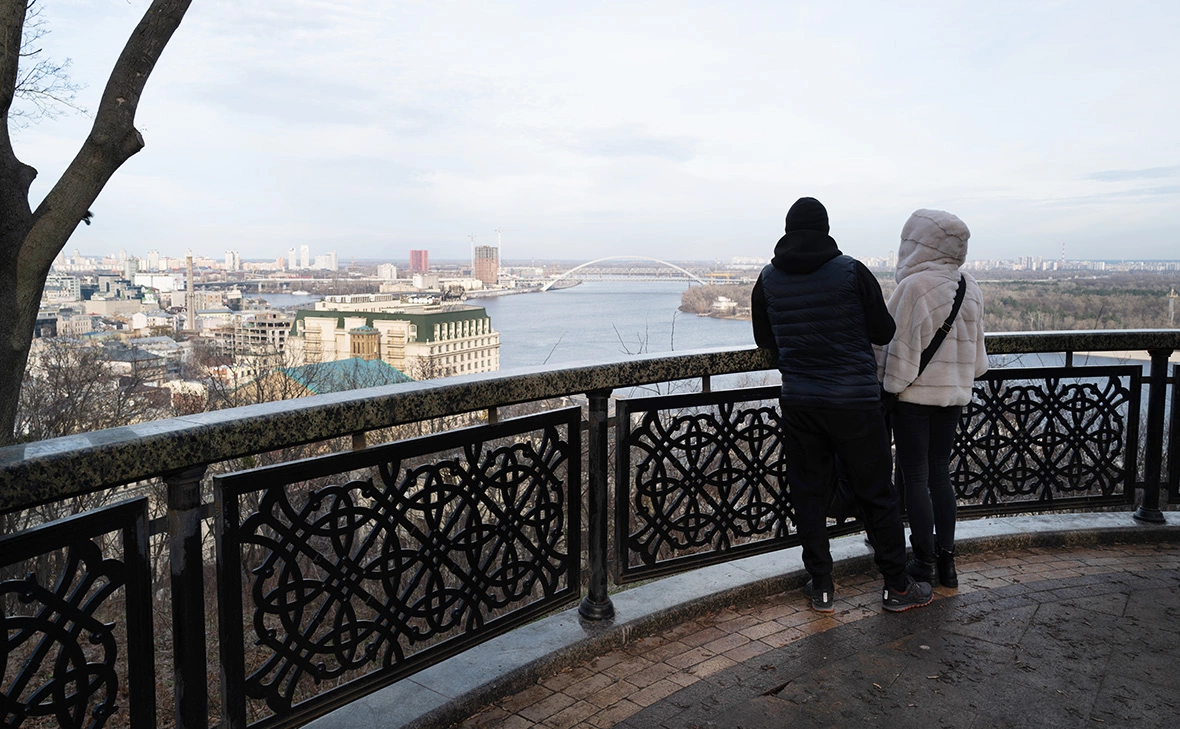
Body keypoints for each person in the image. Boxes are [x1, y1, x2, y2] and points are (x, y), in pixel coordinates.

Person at [752, 196, 932, 613]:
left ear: (787, 230)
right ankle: (896, 586)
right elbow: (883, 331)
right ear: (826, 228)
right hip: (855, 402)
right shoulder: (852, 271)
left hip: (800, 402)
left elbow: (766, 341)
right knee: (877, 493)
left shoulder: (767, 278)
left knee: (809, 493)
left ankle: (822, 586)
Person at [878, 209, 988, 588]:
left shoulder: (914, 287)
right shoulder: (969, 287)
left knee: (915, 476)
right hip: (953, 397)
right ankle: (948, 563)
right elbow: (978, 361)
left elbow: (895, 352)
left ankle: (922, 560)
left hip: (914, 401)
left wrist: (889, 389)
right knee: (940, 475)